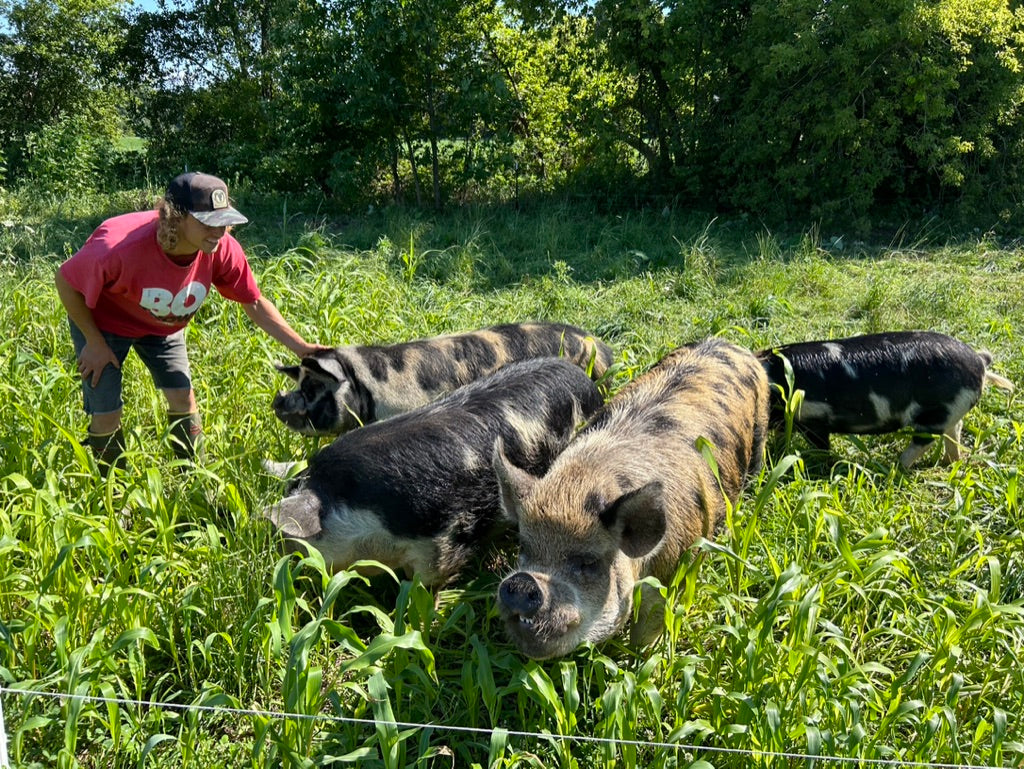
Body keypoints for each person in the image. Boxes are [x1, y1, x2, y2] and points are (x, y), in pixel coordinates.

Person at [56, 171, 325, 471]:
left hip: (162, 326)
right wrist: (93, 341)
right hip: (106, 326)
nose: (219, 232)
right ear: (175, 217)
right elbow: (66, 281)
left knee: (183, 398)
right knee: (107, 412)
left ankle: (193, 476)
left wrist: (302, 348)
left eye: (224, 221)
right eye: (208, 222)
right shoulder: (118, 247)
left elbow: (254, 303)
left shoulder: (221, 249)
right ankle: (112, 493)